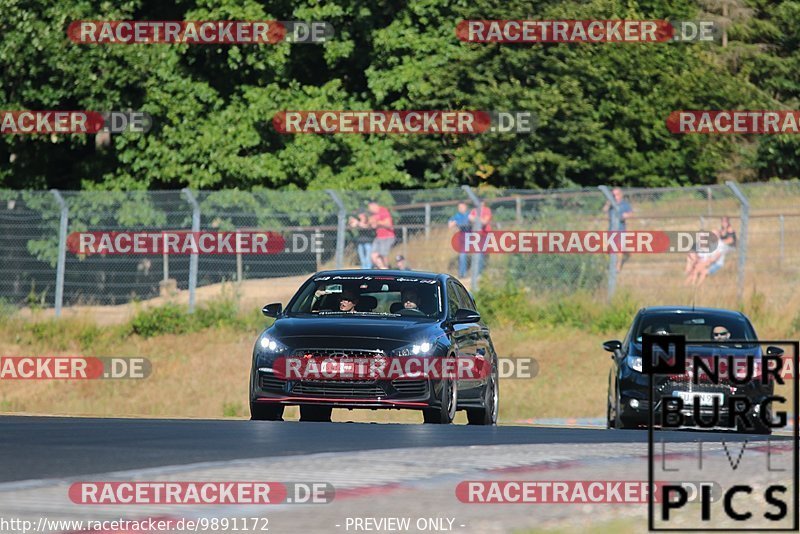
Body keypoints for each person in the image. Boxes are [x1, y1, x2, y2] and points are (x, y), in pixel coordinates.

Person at [602, 187, 633, 272]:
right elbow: (604, 210)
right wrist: (608, 203)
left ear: (620, 195)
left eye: (616, 194)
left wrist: (627, 215)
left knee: (619, 249)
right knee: (609, 248)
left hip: (620, 230)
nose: (614, 196)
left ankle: (618, 267)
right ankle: (612, 263)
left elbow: (630, 213)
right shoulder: (611, 204)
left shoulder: (624, 204)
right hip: (611, 230)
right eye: (613, 195)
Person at [367, 200, 395, 269]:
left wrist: (377, 222)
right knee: (373, 256)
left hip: (387, 236)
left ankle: (387, 269)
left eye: (370, 207)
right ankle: (383, 269)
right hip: (379, 237)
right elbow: (370, 224)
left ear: (374, 205)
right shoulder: (373, 214)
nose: (369, 209)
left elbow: (388, 224)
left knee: (383, 255)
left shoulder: (383, 211)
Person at [468, 202, 492, 276]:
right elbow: (469, 218)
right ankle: (477, 273)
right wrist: (480, 219)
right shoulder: (474, 210)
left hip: (485, 234)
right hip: (476, 235)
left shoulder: (487, 210)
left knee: (482, 253)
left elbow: (485, 222)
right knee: (478, 253)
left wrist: (475, 218)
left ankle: (480, 272)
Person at [448, 202, 471, 277]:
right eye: (459, 207)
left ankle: (475, 273)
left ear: (465, 207)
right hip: (463, 238)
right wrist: (454, 222)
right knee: (462, 255)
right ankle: (462, 274)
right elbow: (450, 224)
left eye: (462, 207)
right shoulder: (458, 216)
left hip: (472, 237)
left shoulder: (469, 214)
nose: (460, 209)